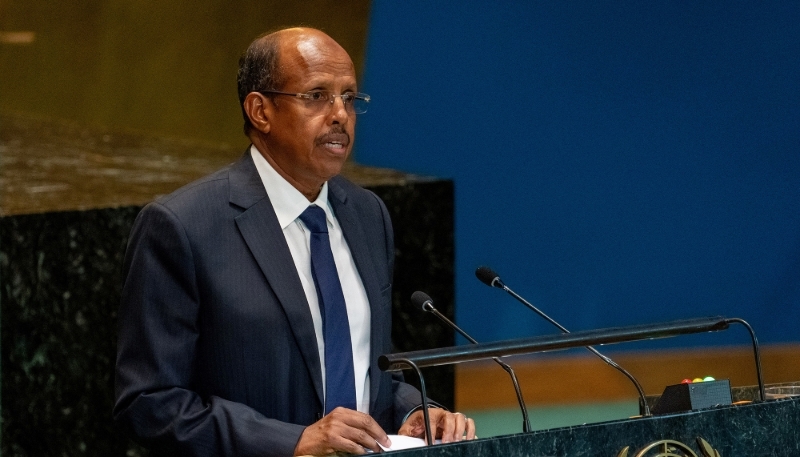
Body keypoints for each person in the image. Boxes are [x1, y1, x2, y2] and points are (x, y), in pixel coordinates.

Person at [113, 27, 476, 457]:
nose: (340, 114)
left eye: (349, 97)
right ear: (260, 111)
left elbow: (366, 370)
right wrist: (292, 443)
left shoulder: (366, 214)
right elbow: (149, 403)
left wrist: (412, 411)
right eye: (317, 95)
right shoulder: (183, 227)